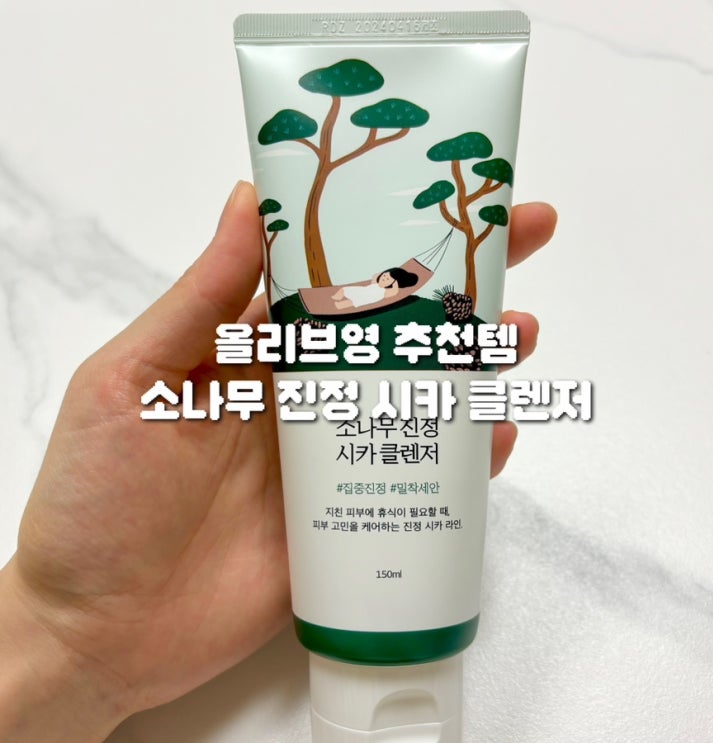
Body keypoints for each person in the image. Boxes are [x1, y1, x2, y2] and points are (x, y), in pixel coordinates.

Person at [0, 181, 557, 741]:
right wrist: (63, 632)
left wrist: (67, 642)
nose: (391, 284)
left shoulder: (415, 290)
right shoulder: (350, 296)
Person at [331, 266, 419, 309]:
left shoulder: (385, 292)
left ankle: (339, 306)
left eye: (387, 279)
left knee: (351, 302)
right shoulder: (375, 283)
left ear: (392, 283)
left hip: (366, 298)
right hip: (362, 291)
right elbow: (375, 276)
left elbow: (395, 291)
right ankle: (336, 297)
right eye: (384, 275)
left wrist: (395, 282)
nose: (384, 278)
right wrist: (383, 273)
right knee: (344, 290)